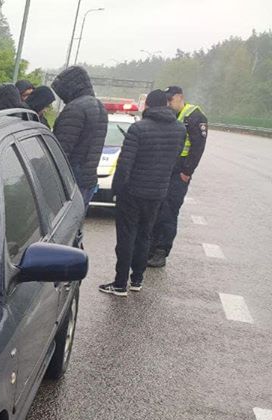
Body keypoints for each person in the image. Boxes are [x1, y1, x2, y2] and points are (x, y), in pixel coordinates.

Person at [98, 90, 185, 297]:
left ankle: (120, 284)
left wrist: (115, 190)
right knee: (145, 235)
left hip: (132, 192)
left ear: (148, 105)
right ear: (165, 104)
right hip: (158, 193)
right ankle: (137, 279)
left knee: (126, 237)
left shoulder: (138, 129)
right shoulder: (179, 129)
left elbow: (125, 164)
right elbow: (174, 161)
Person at [146, 86, 208, 267]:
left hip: (179, 172)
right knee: (156, 209)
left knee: (168, 211)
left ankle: (161, 251)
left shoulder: (195, 116)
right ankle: (150, 248)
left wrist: (186, 172)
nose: (167, 103)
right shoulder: (170, 115)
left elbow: (197, 148)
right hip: (165, 169)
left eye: (170, 100)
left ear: (179, 97)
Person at [51, 66, 109, 207]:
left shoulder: (75, 109)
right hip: (88, 180)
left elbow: (61, 150)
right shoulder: (99, 107)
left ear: (70, 87)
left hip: (71, 180)